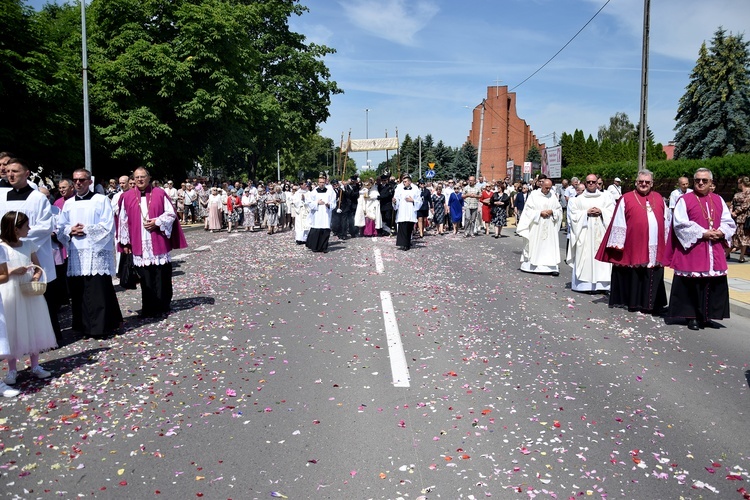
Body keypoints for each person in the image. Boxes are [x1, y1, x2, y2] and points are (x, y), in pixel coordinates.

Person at [665, 168, 735, 330]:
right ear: (693, 181)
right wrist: (703, 233)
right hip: (693, 249)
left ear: (711, 183)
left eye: (704, 180)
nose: (701, 183)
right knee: (692, 285)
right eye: (697, 180)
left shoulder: (718, 199)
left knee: (711, 283)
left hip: (713, 249)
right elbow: (680, 224)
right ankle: (692, 317)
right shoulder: (685, 200)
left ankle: (707, 315)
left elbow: (728, 221)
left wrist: (721, 231)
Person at [58, 169, 122, 337]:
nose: (78, 183)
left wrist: (86, 229)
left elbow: (108, 225)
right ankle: (83, 326)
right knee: (79, 291)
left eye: (82, 180)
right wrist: (70, 230)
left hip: (96, 252)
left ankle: (100, 327)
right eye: (75, 180)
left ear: (89, 182)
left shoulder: (100, 200)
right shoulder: (69, 203)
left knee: (97, 291)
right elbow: (61, 226)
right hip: (76, 252)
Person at [596, 169, 670, 314]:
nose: (644, 184)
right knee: (636, 274)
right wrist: (618, 243)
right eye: (641, 181)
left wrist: (667, 242)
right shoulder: (627, 198)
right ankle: (635, 303)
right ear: (636, 183)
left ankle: (654, 304)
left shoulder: (659, 197)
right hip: (635, 243)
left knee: (653, 273)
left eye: (647, 182)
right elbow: (619, 221)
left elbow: (666, 220)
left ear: (652, 183)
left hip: (656, 244)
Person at [0, 158, 59, 338]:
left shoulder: (38, 198)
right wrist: (8, 241)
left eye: (15, 171)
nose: (10, 174)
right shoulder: (1, 196)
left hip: (34, 253)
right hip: (7, 254)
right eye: (8, 171)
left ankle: (40, 339)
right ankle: (14, 339)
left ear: (26, 174)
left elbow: (46, 226)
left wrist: (18, 239)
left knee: (37, 301)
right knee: (11, 301)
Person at [117, 167, 187, 318]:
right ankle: (148, 307)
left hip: (158, 239)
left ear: (149, 178)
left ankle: (163, 305)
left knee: (161, 275)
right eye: (137, 177)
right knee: (145, 277)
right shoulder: (127, 196)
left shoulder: (159, 193)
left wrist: (157, 221)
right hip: (138, 241)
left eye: (143, 177)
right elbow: (123, 220)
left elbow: (171, 213)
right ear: (133, 180)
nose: (140, 180)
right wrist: (125, 243)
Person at [0, 211, 57, 387]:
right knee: (13, 327)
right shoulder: (2, 247)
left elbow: (38, 266)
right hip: (10, 291)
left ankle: (35, 365)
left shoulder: (28, 244)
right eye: (26, 226)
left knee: (33, 325)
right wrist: (12, 271)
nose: (29, 229)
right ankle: (12, 368)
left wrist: (36, 276)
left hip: (29, 291)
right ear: (16, 229)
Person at [566, 174, 616, 292]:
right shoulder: (578, 199)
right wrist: (586, 213)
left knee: (602, 260)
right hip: (584, 234)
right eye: (588, 182)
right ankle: (584, 285)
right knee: (585, 258)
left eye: (593, 182)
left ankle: (602, 285)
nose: (591, 184)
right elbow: (573, 216)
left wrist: (601, 211)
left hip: (601, 233)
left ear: (598, 183)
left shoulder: (606, 197)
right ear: (585, 183)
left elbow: (612, 212)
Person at [516, 179, 563, 275]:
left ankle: (550, 266)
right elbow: (527, 211)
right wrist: (539, 213)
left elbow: (559, 209)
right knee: (535, 244)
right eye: (546, 188)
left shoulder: (552, 196)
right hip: (537, 225)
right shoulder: (534, 195)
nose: (548, 190)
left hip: (549, 225)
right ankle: (534, 265)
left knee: (549, 245)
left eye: (549, 188)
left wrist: (552, 212)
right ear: (541, 185)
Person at [305, 176, 336, 253]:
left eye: (323, 182)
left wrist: (329, 205)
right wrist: (317, 203)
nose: (322, 184)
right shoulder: (314, 192)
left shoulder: (330, 191)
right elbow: (309, 202)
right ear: (318, 183)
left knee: (325, 230)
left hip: (326, 213)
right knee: (317, 229)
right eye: (320, 182)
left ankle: (324, 247)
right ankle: (315, 247)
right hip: (317, 213)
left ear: (325, 182)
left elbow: (333, 201)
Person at [393, 174, 422, 250]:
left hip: (410, 212)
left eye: (405, 181)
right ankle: (402, 244)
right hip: (402, 212)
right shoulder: (400, 189)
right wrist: (395, 201)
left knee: (409, 228)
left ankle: (407, 243)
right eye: (403, 181)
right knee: (402, 228)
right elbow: (397, 199)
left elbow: (419, 201)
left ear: (409, 182)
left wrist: (413, 200)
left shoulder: (415, 189)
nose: (404, 183)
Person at [730, 176, 750, 262]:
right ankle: (739, 255)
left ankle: (741, 257)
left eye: (738, 183)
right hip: (736, 218)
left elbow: (746, 205)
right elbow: (732, 203)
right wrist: (731, 211)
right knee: (736, 236)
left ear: (742, 183)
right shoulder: (738, 194)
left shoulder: (749, 193)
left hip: (746, 219)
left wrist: (735, 212)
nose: (737, 185)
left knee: (744, 237)